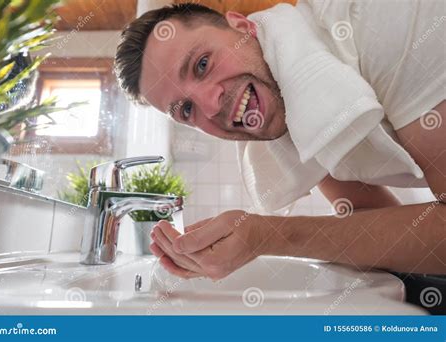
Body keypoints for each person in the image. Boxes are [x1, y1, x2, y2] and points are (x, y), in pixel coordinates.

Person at [114, 2, 445, 281]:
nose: (211, 105)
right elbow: (376, 227)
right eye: (186, 109)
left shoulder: (378, 22)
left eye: (202, 64)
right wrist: (239, 242)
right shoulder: (301, 114)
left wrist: (266, 236)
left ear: (243, 26)